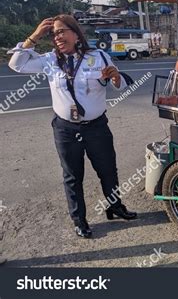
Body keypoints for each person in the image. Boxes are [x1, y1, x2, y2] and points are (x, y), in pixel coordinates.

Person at [8, 15, 137, 239]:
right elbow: (16, 64)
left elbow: (119, 85)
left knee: (108, 170)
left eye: (61, 31)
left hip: (97, 126)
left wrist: (116, 78)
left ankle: (114, 206)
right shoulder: (49, 60)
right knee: (72, 176)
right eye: (53, 34)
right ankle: (80, 220)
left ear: (76, 34)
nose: (57, 37)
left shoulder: (98, 56)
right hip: (66, 129)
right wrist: (35, 35)